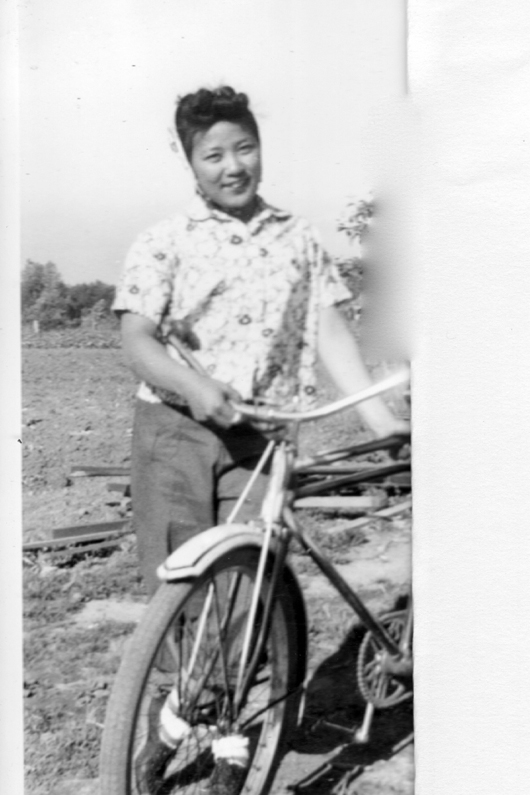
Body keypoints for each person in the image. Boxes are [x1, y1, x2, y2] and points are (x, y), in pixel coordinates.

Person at [113, 85, 407, 595]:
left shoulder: (297, 238)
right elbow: (136, 338)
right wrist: (193, 387)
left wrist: (378, 417)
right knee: (178, 580)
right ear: (191, 163)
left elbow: (328, 329)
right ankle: (173, 679)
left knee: (249, 576)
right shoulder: (164, 240)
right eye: (213, 155)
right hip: (175, 430)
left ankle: (255, 673)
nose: (233, 166)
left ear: (260, 148)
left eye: (245, 147)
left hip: (262, 436)